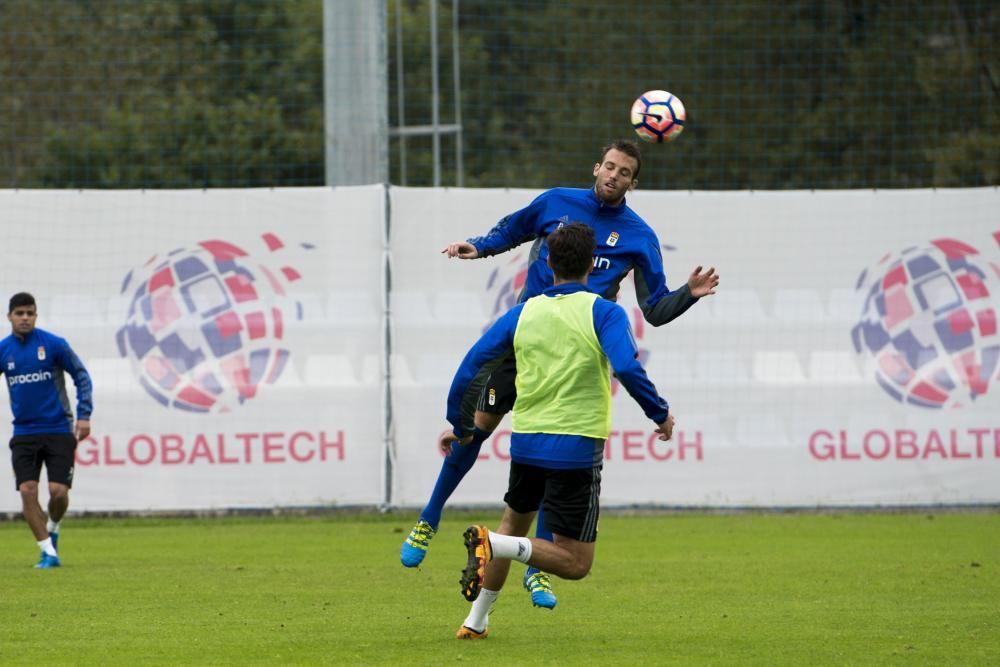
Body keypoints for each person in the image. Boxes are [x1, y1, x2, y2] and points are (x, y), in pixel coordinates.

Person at [400, 139, 717, 608]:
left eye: (624, 171)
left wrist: (687, 294)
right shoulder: (556, 203)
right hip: (528, 338)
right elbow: (514, 229)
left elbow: (653, 309)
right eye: (609, 166)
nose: (613, 175)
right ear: (596, 167)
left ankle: (537, 572)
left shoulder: (639, 236)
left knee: (556, 449)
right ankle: (429, 517)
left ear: (634, 182)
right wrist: (480, 246)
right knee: (475, 432)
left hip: (577, 354)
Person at [439, 223, 674, 638]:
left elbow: (469, 367)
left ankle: (475, 621)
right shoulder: (604, 312)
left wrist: (459, 423)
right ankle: (491, 544)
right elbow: (626, 367)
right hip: (576, 447)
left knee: (513, 523)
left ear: (547, 263)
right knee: (576, 563)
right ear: (591, 265)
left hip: (527, 442)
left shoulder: (523, 312)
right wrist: (660, 414)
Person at [0, 292, 92, 568]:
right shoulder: (4, 350)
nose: (25, 318)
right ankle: (47, 551)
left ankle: (53, 526)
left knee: (58, 492)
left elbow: (81, 376)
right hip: (24, 432)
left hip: (58, 428)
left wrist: (84, 415)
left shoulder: (54, 345)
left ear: (36, 316)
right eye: (20, 313)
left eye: (30, 313)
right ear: (10, 317)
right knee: (27, 490)